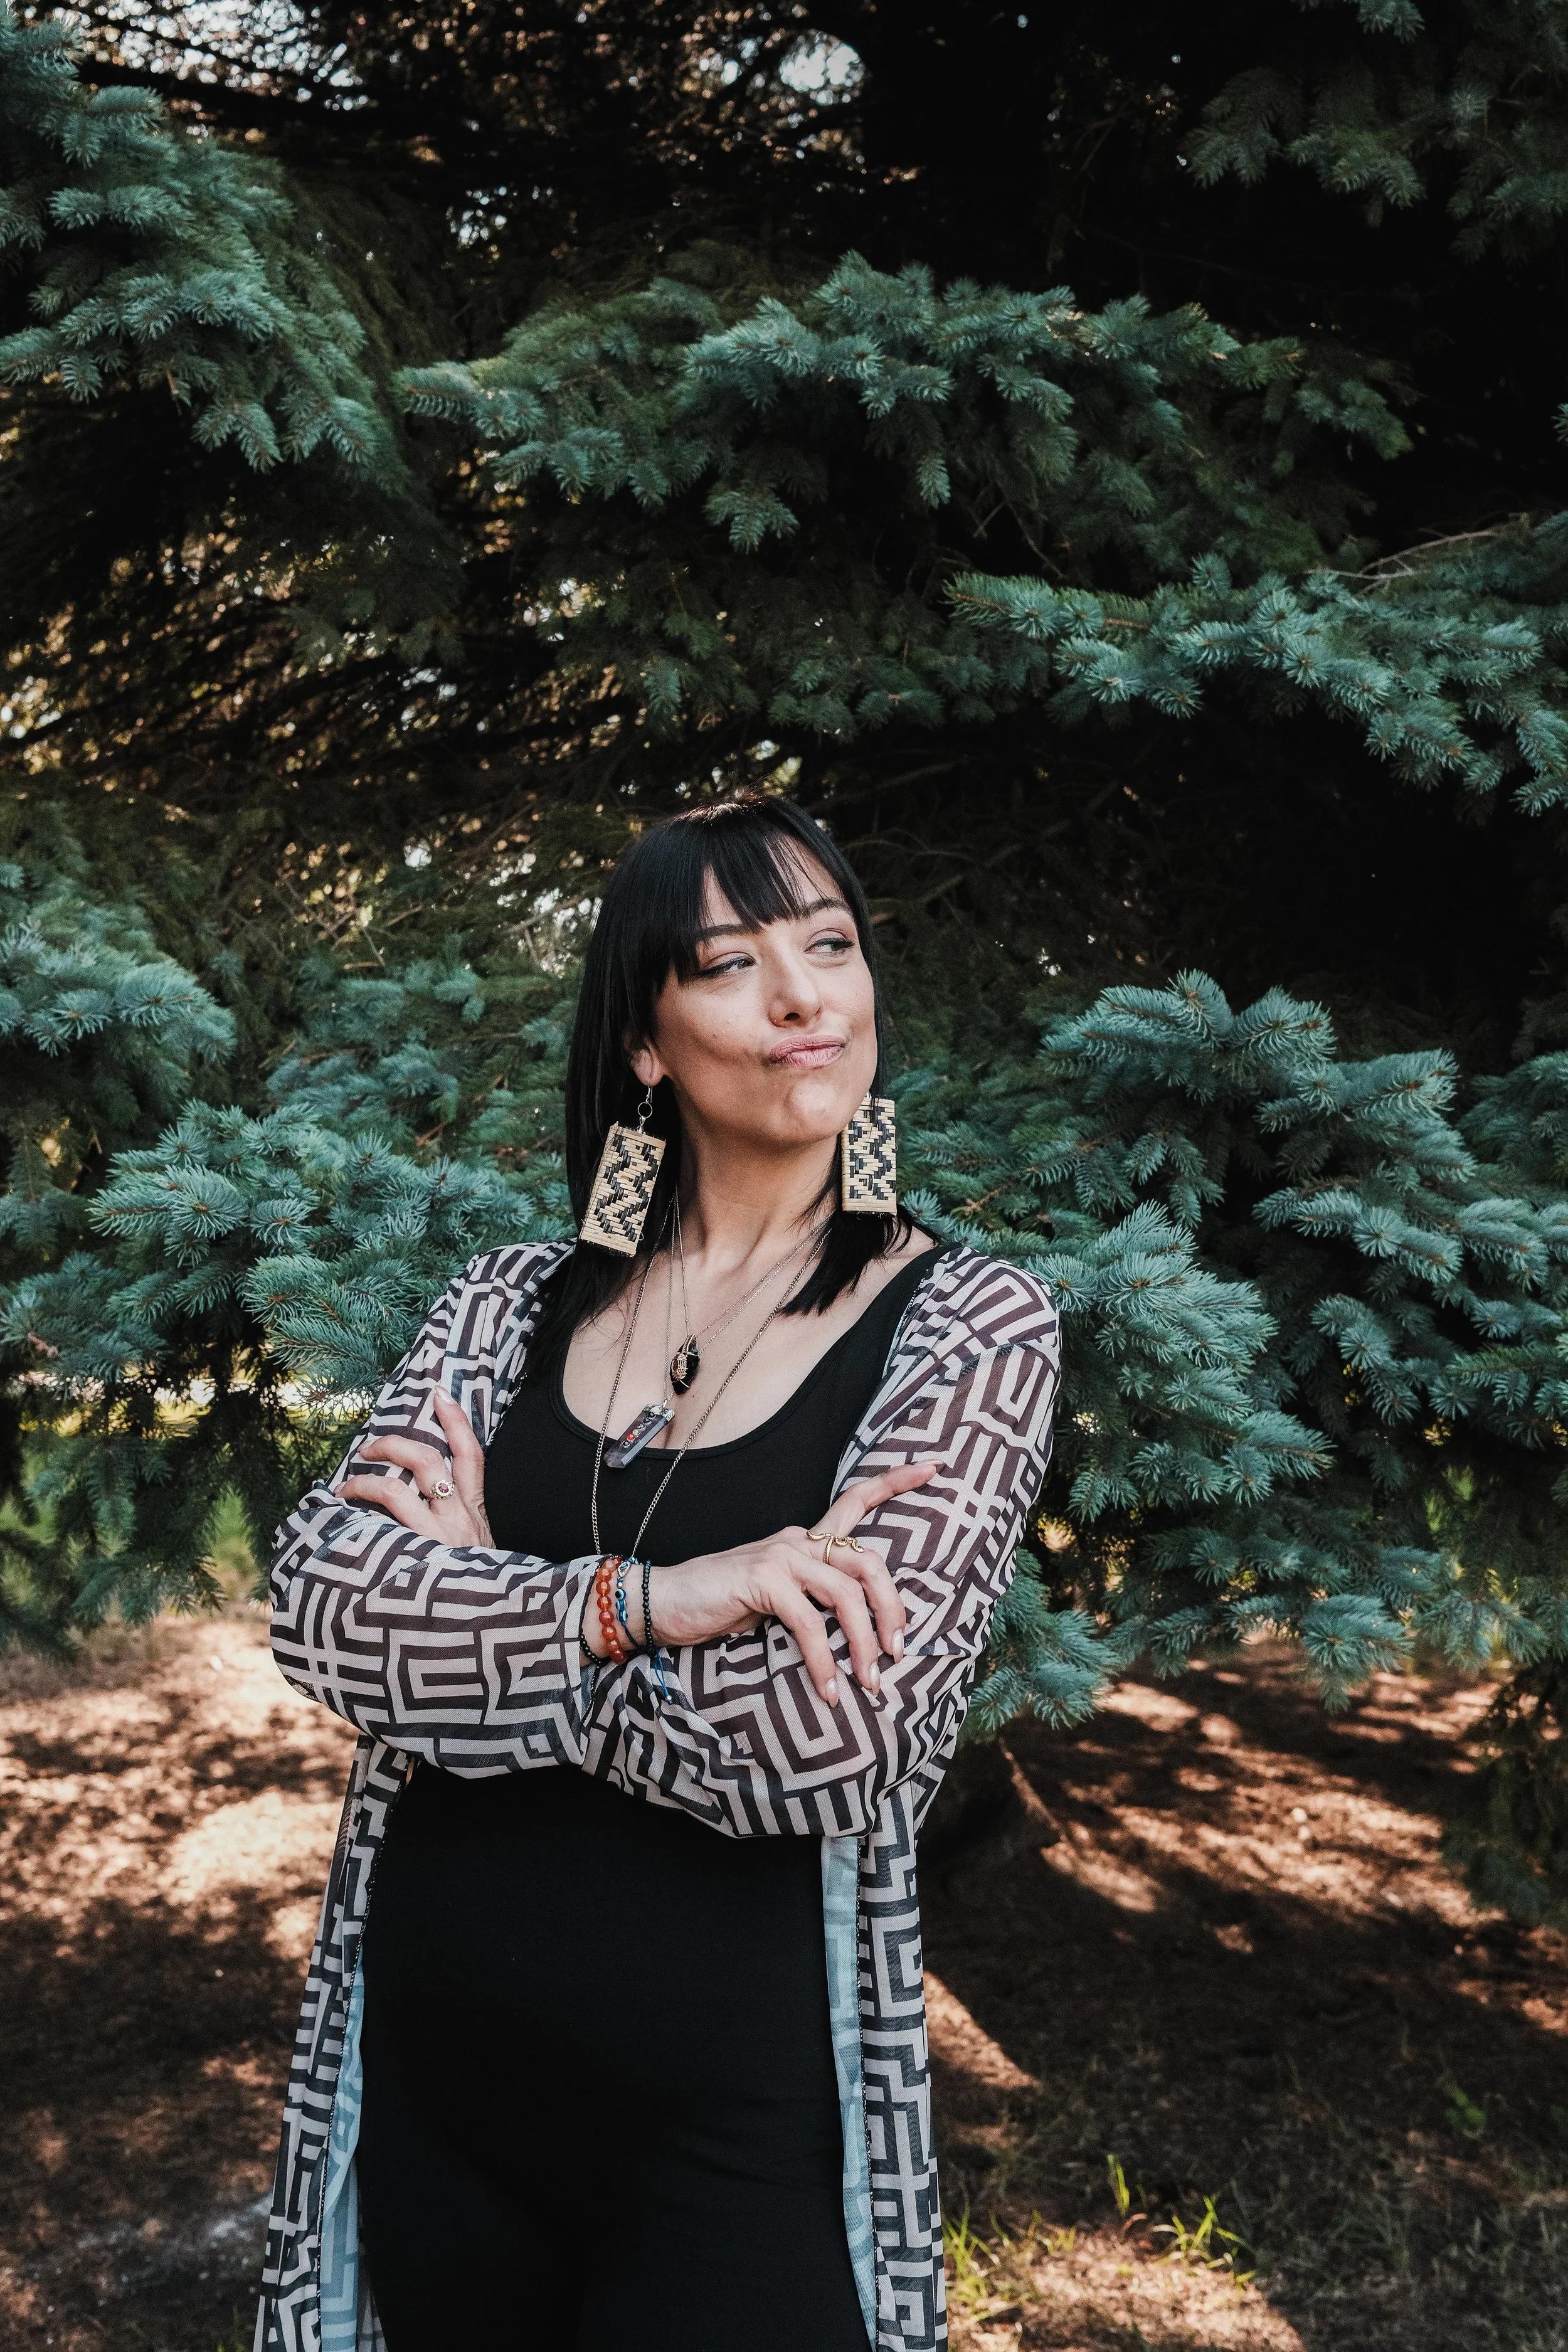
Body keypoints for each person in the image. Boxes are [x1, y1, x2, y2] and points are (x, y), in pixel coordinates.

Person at [253, 796, 1060, 2352]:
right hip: (438, 2089)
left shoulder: (971, 1326)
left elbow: (827, 1742)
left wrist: (485, 1612)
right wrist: (654, 1603)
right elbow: (323, 1605)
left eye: (828, 947)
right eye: (727, 963)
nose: (800, 999)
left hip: (736, 2129)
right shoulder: (508, 1300)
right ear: (643, 1039)